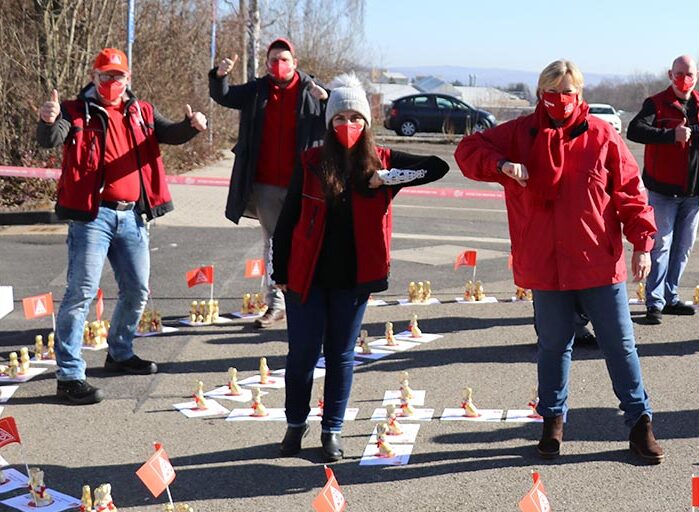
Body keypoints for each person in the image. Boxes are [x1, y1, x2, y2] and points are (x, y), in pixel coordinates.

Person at [456, 59, 664, 464]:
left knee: (620, 346)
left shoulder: (602, 136)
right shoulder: (519, 134)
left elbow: (629, 192)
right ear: (540, 94)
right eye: (552, 93)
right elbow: (467, 151)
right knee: (553, 347)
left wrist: (642, 243)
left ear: (580, 94)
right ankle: (552, 420)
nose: (560, 100)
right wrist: (501, 165)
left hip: (597, 263)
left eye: (568, 92)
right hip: (546, 266)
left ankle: (640, 423)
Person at [271, 74, 448, 461]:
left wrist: (387, 179)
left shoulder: (382, 161)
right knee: (301, 355)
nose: (347, 124)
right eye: (339, 118)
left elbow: (437, 167)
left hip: (353, 280)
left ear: (366, 121)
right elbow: (287, 220)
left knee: (341, 355)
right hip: (306, 275)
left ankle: (331, 430)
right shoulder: (311, 161)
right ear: (329, 122)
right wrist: (279, 272)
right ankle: (295, 424)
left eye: (355, 117)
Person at [37, 48, 206, 405]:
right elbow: (50, 139)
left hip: (132, 216)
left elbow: (170, 133)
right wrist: (48, 121)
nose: (111, 82)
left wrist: (191, 126)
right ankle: (69, 375)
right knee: (81, 293)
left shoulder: (142, 111)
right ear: (93, 77)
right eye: (105, 75)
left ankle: (120, 351)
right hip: (92, 217)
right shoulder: (74, 110)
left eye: (118, 76)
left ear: (128, 78)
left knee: (137, 289)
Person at [210, 38, 329, 329]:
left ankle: (309, 299)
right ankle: (276, 304)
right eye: (274, 59)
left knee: (308, 240)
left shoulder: (312, 90)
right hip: (266, 185)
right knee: (274, 244)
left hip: (304, 184)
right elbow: (225, 96)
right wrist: (220, 76)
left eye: (284, 59)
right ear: (266, 64)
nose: (279, 64)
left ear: (295, 63)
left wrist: (326, 99)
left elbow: (340, 114)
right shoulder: (257, 89)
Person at [627, 55, 699, 325]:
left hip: (693, 192)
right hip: (663, 192)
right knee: (661, 246)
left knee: (683, 247)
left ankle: (671, 296)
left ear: (697, 76)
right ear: (670, 75)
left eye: (689, 73)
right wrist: (670, 136)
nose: (684, 79)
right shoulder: (656, 103)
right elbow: (635, 130)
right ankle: (654, 302)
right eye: (679, 73)